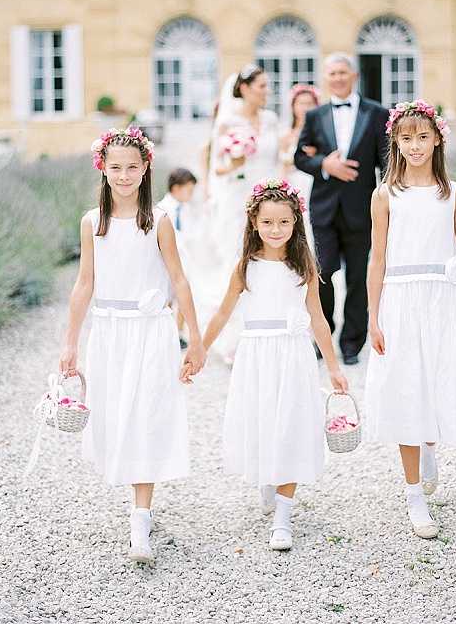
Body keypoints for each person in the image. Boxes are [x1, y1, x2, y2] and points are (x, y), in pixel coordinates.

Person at [59, 127, 206, 565]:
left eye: (132, 167)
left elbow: (178, 279)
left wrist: (195, 339)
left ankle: (140, 519)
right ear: (103, 169)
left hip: (152, 331)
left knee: (146, 415)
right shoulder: (92, 222)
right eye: (115, 167)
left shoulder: (158, 221)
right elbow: (84, 283)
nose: (124, 176)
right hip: (109, 332)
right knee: (118, 415)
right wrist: (70, 343)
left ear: (146, 169)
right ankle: (137, 503)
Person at [364, 99, 456, 539]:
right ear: (395, 143)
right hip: (400, 300)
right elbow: (376, 258)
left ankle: (430, 446)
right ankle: (414, 495)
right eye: (406, 138)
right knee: (405, 390)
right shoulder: (384, 195)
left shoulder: (455, 194)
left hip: (441, 299)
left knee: (436, 382)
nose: (415, 146)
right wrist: (373, 317)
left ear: (437, 138)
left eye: (423, 137)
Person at [203, 178, 349, 551]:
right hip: (255, 355)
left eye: (284, 222)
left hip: (293, 354)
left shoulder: (304, 267)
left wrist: (333, 367)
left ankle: (284, 515)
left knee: (291, 425)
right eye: (267, 222)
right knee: (263, 421)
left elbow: (318, 318)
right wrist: (200, 349)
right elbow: (223, 314)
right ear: (254, 223)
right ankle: (266, 476)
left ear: (296, 223)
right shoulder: (245, 268)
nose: (275, 230)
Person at [294, 53, 389, 364]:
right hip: (323, 208)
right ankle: (324, 337)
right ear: (326, 78)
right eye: (332, 73)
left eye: (342, 72)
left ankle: (352, 344)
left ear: (354, 75)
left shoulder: (377, 113)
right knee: (322, 273)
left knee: (358, 278)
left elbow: (386, 163)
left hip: (362, 208)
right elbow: (300, 157)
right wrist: (325, 164)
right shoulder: (315, 115)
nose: (337, 78)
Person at [210, 65, 279, 278]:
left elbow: (277, 159)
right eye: (262, 86)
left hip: (270, 194)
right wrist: (234, 165)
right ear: (245, 88)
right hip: (239, 194)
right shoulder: (227, 122)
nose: (267, 90)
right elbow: (217, 169)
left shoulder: (271, 119)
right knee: (239, 248)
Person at [158, 167, 199, 349]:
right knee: (166, 296)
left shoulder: (186, 209)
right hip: (167, 262)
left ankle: (178, 332)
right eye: (188, 190)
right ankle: (164, 332)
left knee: (183, 296)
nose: (191, 195)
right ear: (176, 189)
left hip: (184, 259)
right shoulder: (161, 210)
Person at [279, 84, 320, 244]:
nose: (305, 108)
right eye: (301, 103)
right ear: (293, 106)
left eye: (309, 103)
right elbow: (281, 165)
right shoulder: (285, 136)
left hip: (312, 181)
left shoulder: (320, 134)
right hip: (293, 184)